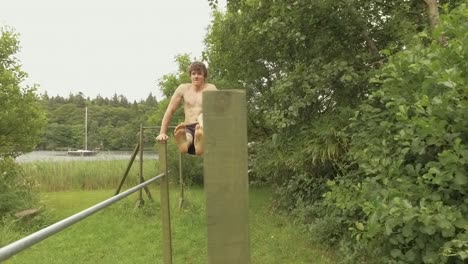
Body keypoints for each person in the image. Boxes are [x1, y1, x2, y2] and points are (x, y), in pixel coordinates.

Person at [155, 61, 217, 155]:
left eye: (199, 73)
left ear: (205, 76)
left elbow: (222, 109)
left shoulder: (211, 88)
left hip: (204, 127)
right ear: (190, 76)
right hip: (188, 126)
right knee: (187, 136)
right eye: (193, 73)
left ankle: (199, 140)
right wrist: (162, 132)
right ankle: (185, 143)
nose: (196, 76)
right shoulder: (183, 89)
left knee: (201, 120)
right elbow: (170, 110)